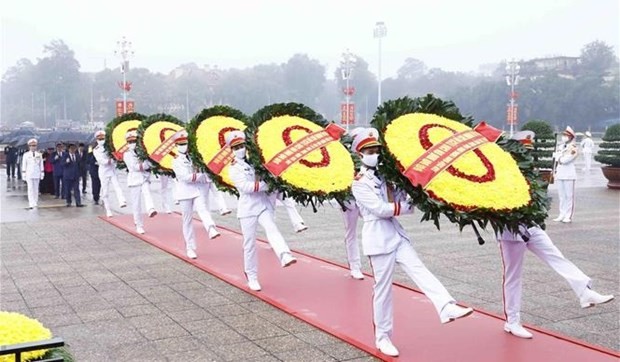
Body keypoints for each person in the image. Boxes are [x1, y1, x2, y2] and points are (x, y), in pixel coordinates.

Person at [350, 127, 473, 357]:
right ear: (360, 154)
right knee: (383, 290)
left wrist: (410, 192)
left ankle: (446, 306)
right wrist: (404, 208)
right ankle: (383, 337)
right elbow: (379, 209)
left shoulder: (386, 175)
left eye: (376, 149)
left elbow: (395, 198)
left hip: (396, 235)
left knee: (419, 269)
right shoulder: (358, 182)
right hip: (377, 239)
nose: (374, 153)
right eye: (369, 150)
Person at [226, 130, 297, 292]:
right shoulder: (234, 168)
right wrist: (267, 185)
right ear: (231, 149)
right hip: (247, 209)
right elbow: (245, 187)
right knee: (249, 244)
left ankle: (284, 254)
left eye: (242, 145)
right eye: (236, 147)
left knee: (272, 228)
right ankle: (251, 276)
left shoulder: (254, 162)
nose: (240, 149)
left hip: (262, 204)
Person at [171, 130, 221, 259]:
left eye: (185, 143)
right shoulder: (176, 160)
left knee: (203, 209)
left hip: (196, 190)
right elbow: (184, 177)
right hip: (184, 192)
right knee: (187, 220)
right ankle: (190, 247)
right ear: (176, 146)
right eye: (180, 144)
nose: (184, 146)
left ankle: (211, 228)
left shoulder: (193, 157)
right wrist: (200, 176)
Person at [123, 130, 157, 234]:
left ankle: (151, 209)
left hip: (144, 178)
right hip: (134, 180)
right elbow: (134, 167)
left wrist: (146, 164)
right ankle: (138, 224)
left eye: (133, 141)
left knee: (147, 192)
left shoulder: (142, 152)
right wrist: (144, 165)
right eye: (130, 142)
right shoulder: (126, 154)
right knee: (136, 204)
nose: (132, 144)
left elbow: (149, 163)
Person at [92, 130, 127, 217]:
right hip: (103, 171)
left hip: (111, 169)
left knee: (117, 185)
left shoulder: (110, 147)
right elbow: (101, 161)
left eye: (103, 138)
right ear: (96, 139)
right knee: (105, 191)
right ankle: (108, 210)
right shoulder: (95, 150)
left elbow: (116, 153)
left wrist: (116, 158)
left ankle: (122, 200)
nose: (101, 140)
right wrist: (111, 160)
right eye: (99, 139)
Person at [553, 126, 578, 223]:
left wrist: (559, 158)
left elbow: (567, 159)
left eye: (566, 136)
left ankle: (568, 215)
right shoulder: (560, 147)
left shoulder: (573, 147)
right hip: (560, 173)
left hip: (569, 174)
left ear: (571, 137)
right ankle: (561, 214)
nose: (564, 137)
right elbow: (557, 159)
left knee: (569, 196)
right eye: (563, 135)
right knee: (561, 196)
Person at [21, 139, 44, 209]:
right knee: (30, 189)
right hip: (29, 174)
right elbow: (24, 165)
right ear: (29, 146)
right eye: (32, 146)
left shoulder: (39, 154)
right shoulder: (26, 155)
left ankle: (35, 202)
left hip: (37, 173)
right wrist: (24, 174)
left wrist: (42, 173)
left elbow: (41, 164)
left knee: (36, 189)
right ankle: (31, 203)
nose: (33, 147)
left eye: (34, 145)